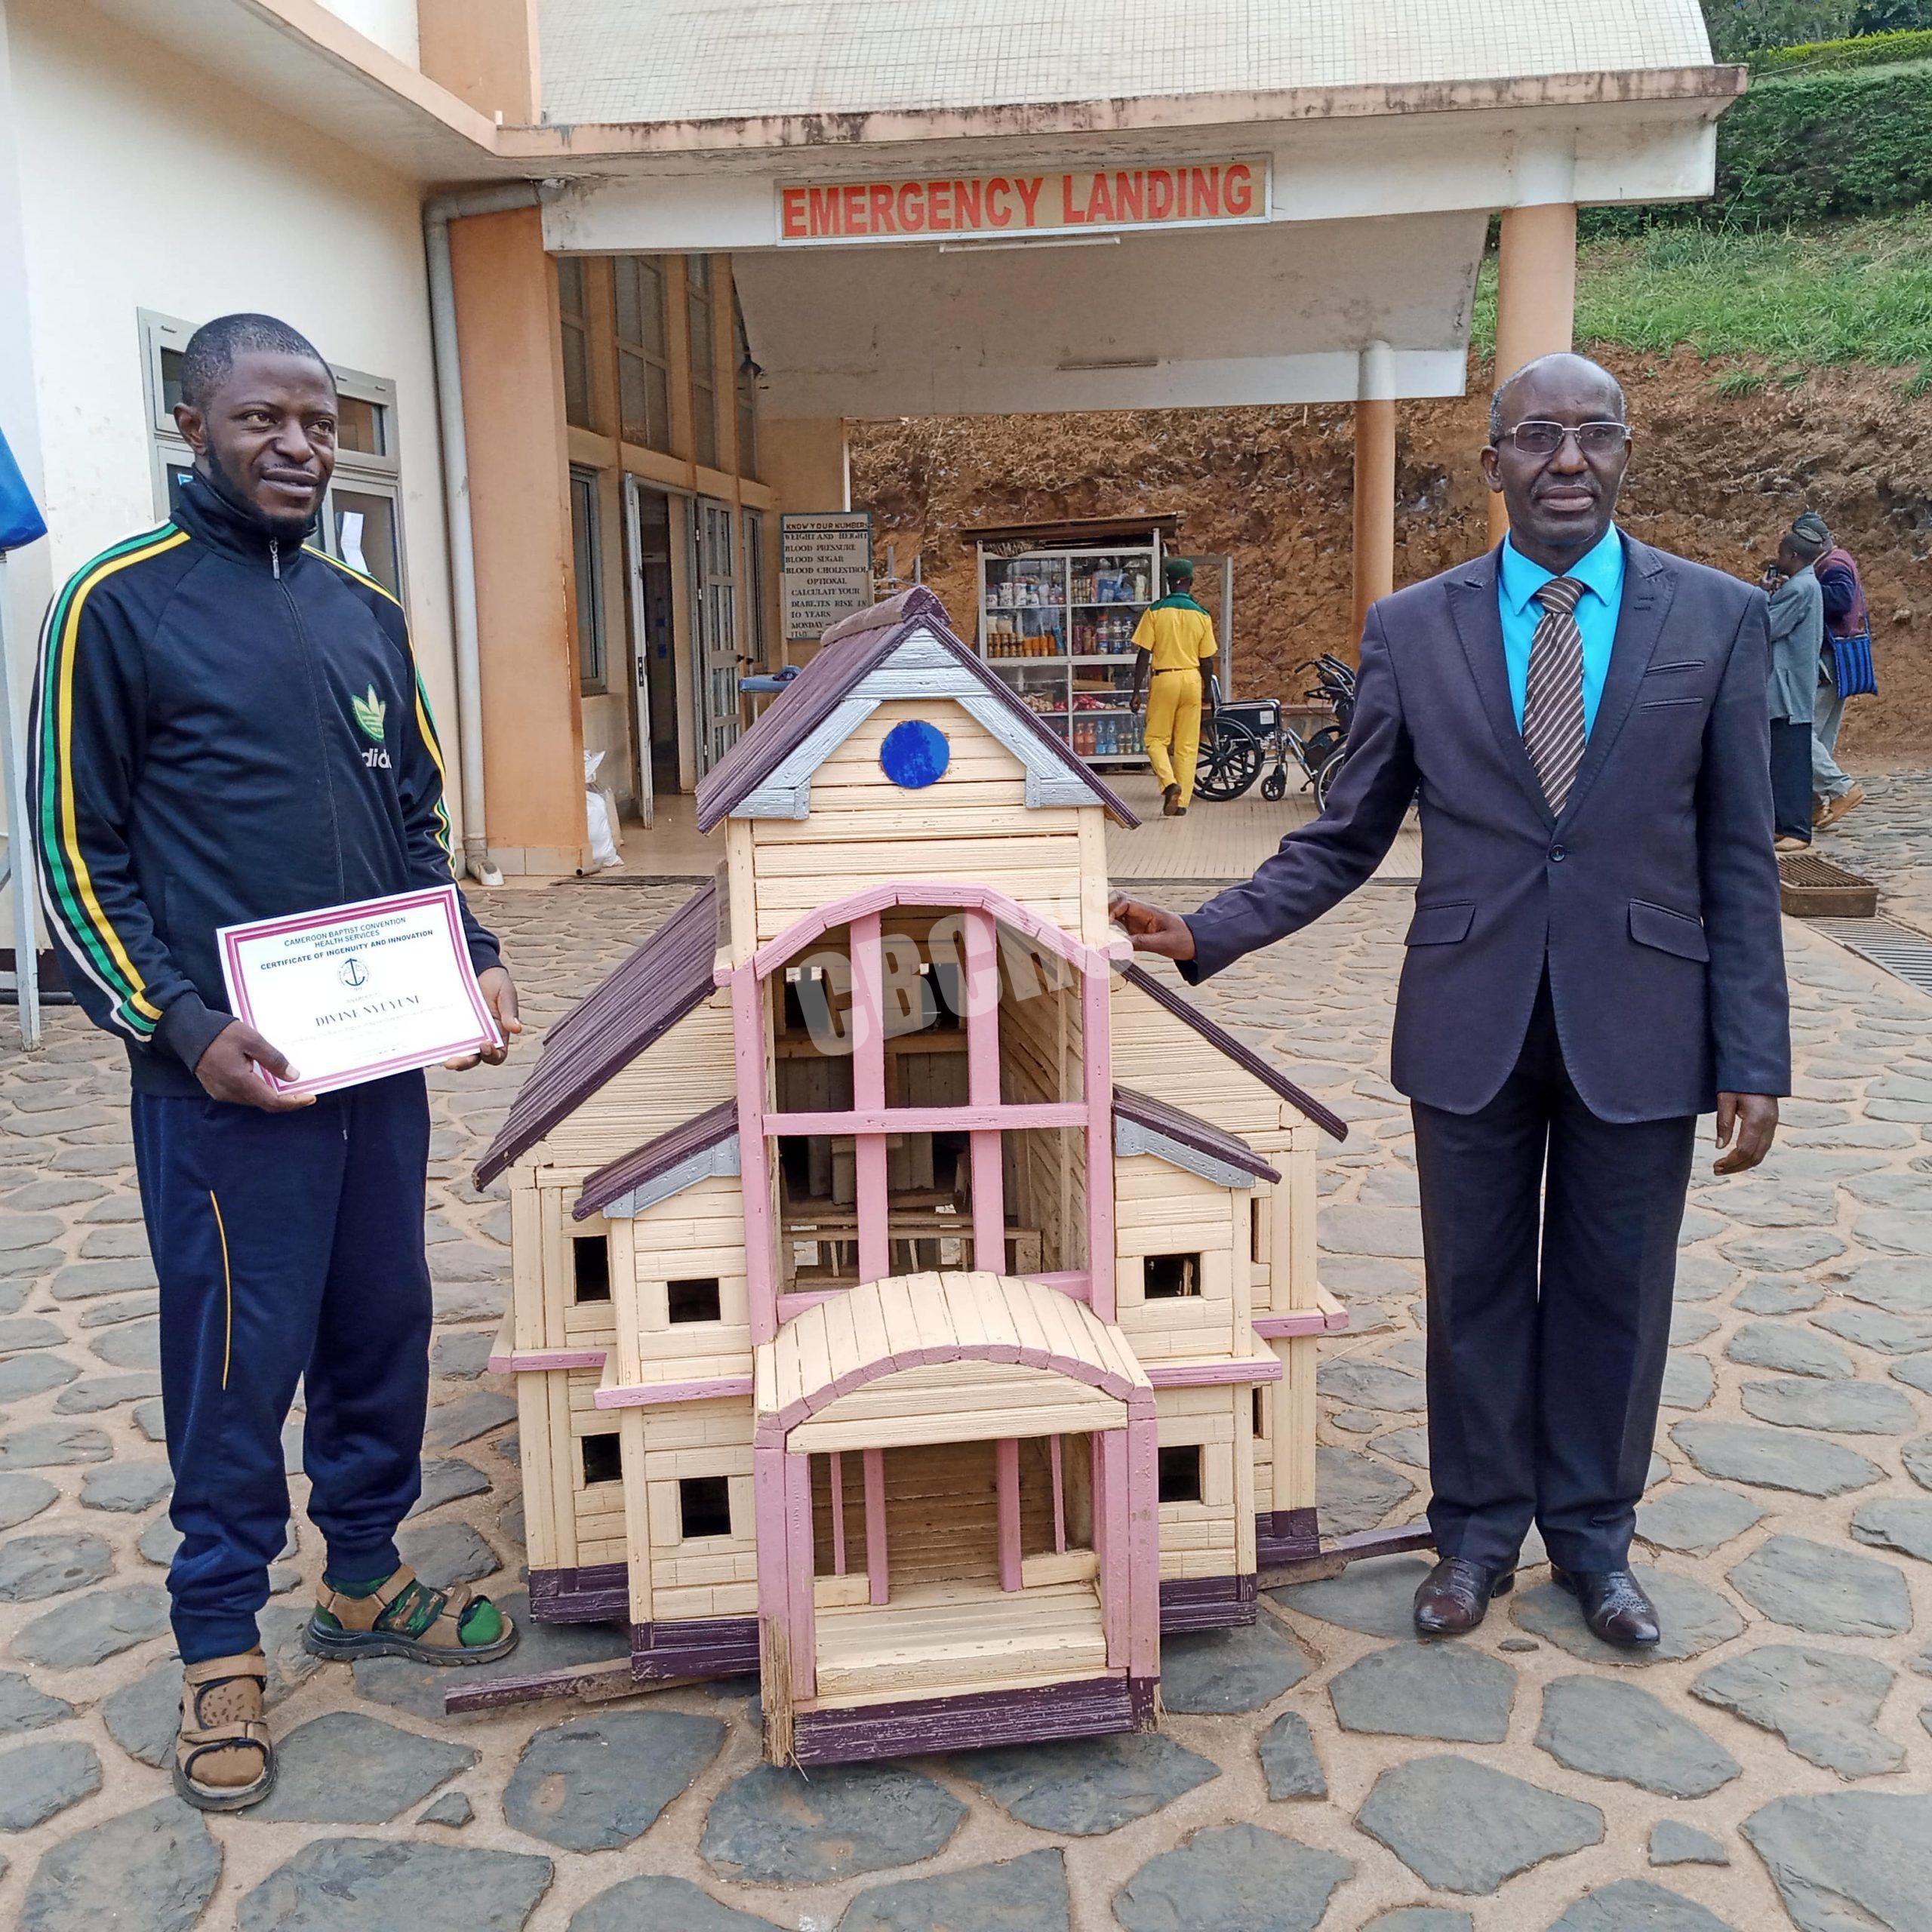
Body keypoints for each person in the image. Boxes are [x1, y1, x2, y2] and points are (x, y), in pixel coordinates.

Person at [1111, 353, 1787, 1650]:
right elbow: (1344, 832)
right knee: (1474, 1287)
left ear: (1627, 452)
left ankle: (1596, 1544)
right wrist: (1208, 928)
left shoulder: (1715, 620)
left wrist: (1753, 1049)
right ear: (1494, 464)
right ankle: (1474, 1533)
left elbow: (1738, 854)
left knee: (1617, 1293)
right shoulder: (1414, 628)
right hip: (1471, 1016)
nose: (1569, 460)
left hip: (1645, 1017)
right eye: (1539, 437)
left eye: (1595, 435)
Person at [29, 313, 522, 1811]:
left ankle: (363, 1577)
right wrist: (182, 1026)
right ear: (193, 425)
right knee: (236, 1359)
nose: (298, 443)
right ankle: (216, 1643)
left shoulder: (364, 609)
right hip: (224, 1084)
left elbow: (417, 814)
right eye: (263, 418)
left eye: (318, 419)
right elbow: (71, 849)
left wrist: (473, 948)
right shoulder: (112, 608)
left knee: (382, 1316)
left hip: (377, 1064)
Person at [1128, 556, 1218, 816]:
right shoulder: (1202, 615)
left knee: (1155, 739)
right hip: (1192, 679)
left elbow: (1144, 654)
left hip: (1165, 678)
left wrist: (1136, 692)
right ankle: (1182, 803)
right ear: (1190, 582)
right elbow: (1207, 660)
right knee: (1187, 745)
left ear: (1169, 583)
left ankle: (1169, 784)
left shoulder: (1155, 612)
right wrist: (1208, 688)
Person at [1795, 511, 1869, 830]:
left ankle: (1842, 788)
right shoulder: (1838, 559)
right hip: (1840, 660)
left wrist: (1801, 587)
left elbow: (1839, 600)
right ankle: (1812, 805)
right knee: (1820, 739)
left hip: (1828, 659)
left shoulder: (1833, 565)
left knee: (1800, 734)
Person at [1762, 522, 1825, 853]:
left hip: (1788, 689)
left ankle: (1797, 828)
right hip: (1790, 685)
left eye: (1782, 555)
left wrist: (1762, 595)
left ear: (1794, 555)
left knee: (1791, 761)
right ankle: (1782, 823)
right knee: (1782, 759)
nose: (1779, 559)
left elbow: (1769, 626)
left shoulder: (1799, 589)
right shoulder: (1805, 584)